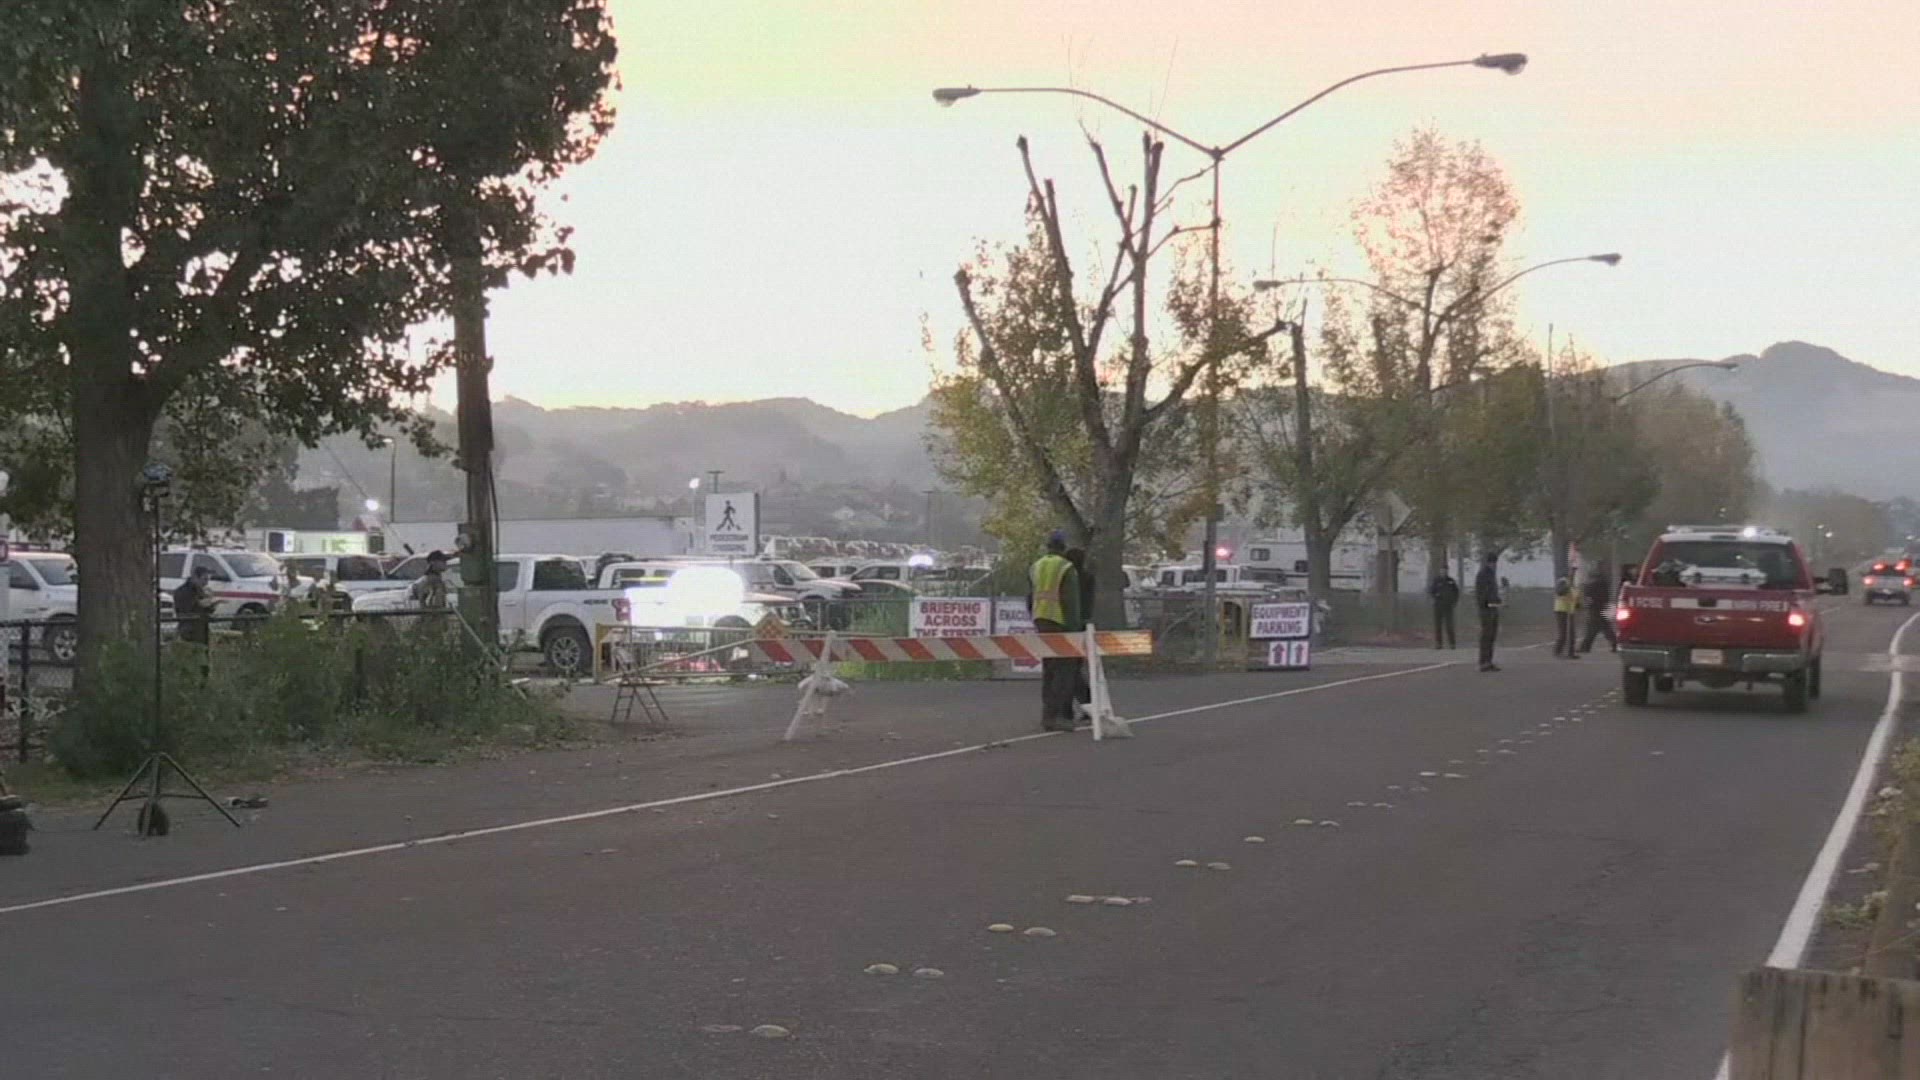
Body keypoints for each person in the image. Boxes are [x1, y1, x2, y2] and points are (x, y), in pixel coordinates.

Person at [1027, 532, 1083, 732]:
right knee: (1064, 671)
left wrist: (1034, 616)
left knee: (1049, 669)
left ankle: (1048, 715)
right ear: (1063, 547)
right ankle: (1057, 716)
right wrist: (1075, 628)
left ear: (1047, 546)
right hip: (1060, 622)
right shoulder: (1066, 568)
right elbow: (1071, 601)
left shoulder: (1036, 566)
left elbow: (1030, 596)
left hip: (1041, 620)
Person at [1066, 546, 1096, 713]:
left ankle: (1082, 704)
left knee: (1068, 670)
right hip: (1083, 623)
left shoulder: (1069, 578)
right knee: (1075, 667)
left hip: (1068, 623)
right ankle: (1088, 704)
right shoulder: (1088, 577)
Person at [1579, 565, 1619, 654]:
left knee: (1593, 629)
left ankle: (1585, 647)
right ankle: (1615, 644)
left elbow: (1588, 598)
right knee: (1605, 628)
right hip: (1603, 607)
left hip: (1594, 609)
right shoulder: (1604, 584)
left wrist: (1587, 604)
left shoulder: (1591, 585)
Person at [1474, 551, 1503, 673]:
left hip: (1493, 608)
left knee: (1492, 635)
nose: (1494, 565)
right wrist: (1486, 604)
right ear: (1489, 562)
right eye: (1493, 562)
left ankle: (1489, 661)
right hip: (1486, 609)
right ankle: (1483, 662)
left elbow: (1493, 592)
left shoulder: (1491, 574)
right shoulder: (1483, 574)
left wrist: (1498, 601)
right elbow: (1481, 593)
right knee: (1486, 635)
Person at [1428, 570, 1461, 650]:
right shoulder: (1436, 581)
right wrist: (1435, 596)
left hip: (1448, 606)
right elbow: (1431, 591)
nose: (1443, 572)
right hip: (1438, 606)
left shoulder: (1451, 581)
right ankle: (1438, 644)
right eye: (1442, 571)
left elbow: (1456, 592)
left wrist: (1454, 601)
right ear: (1440, 572)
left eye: (1445, 571)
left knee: (1449, 625)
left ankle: (1452, 643)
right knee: (1438, 626)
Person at [1552, 575, 1580, 658]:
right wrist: (1567, 586)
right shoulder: (1563, 581)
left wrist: (1578, 605)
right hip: (1562, 610)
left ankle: (1570, 652)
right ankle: (1558, 651)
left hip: (1570, 611)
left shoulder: (1575, 586)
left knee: (1571, 633)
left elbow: (1575, 599)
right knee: (1563, 633)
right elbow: (1560, 592)